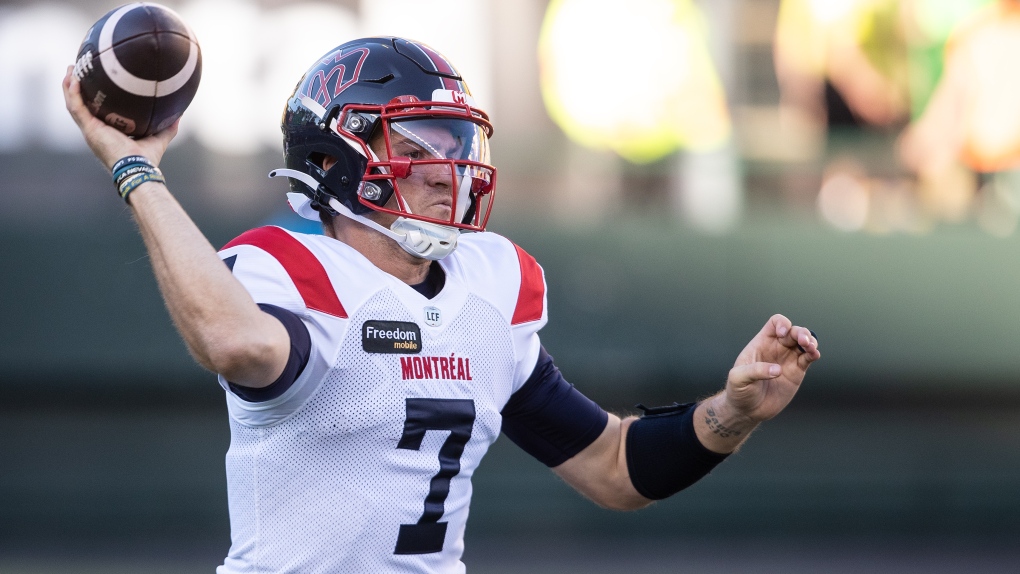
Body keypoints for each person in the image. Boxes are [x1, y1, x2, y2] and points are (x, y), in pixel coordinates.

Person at [63, 36, 820, 574]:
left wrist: (734, 411)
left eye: (456, 141)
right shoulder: (287, 267)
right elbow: (233, 344)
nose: (447, 168)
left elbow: (615, 466)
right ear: (336, 155)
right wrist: (136, 168)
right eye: (418, 141)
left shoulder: (491, 285)